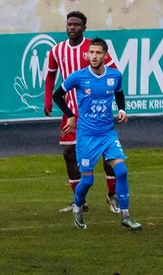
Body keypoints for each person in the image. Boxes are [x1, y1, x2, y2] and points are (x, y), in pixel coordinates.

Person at [54, 38, 141, 231]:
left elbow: (119, 93)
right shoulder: (78, 77)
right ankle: (77, 207)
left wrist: (122, 109)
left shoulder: (115, 75)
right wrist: (70, 115)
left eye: (98, 53)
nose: (93, 56)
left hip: (108, 134)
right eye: (91, 53)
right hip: (86, 136)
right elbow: (56, 95)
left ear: (105, 55)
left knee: (122, 171)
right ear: (87, 55)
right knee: (87, 181)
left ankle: (125, 217)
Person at [43, 11, 120, 214]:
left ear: (84, 27)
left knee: (107, 154)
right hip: (70, 112)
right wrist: (48, 101)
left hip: (95, 113)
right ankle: (79, 200)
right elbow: (51, 76)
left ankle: (112, 195)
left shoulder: (92, 49)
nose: (72, 27)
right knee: (68, 153)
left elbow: (114, 72)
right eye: (69, 24)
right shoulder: (57, 50)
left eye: (76, 24)